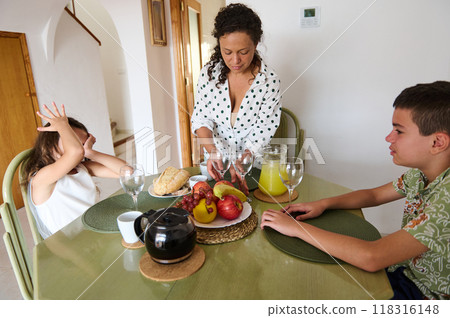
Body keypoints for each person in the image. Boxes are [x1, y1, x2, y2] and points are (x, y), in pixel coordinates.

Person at [261, 81, 450, 300]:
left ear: (437, 142)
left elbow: (373, 257)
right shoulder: (420, 174)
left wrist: (295, 229)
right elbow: (374, 195)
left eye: (399, 131)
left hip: (425, 294)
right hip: (406, 272)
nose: (389, 137)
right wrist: (323, 204)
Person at [191, 3, 282, 194]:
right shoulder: (209, 74)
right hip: (216, 164)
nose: (235, 61)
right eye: (227, 52)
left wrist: (243, 161)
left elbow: (264, 128)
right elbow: (201, 118)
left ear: (255, 44)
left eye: (243, 52)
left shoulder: (269, 81)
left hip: (253, 167)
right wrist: (212, 151)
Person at [23, 103, 126, 239]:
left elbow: (125, 171)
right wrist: (62, 125)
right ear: (50, 143)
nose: (80, 149)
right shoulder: (42, 178)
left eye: (82, 144)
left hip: (93, 234)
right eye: (74, 141)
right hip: (71, 247)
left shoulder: (81, 168)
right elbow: (75, 152)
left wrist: (91, 152)